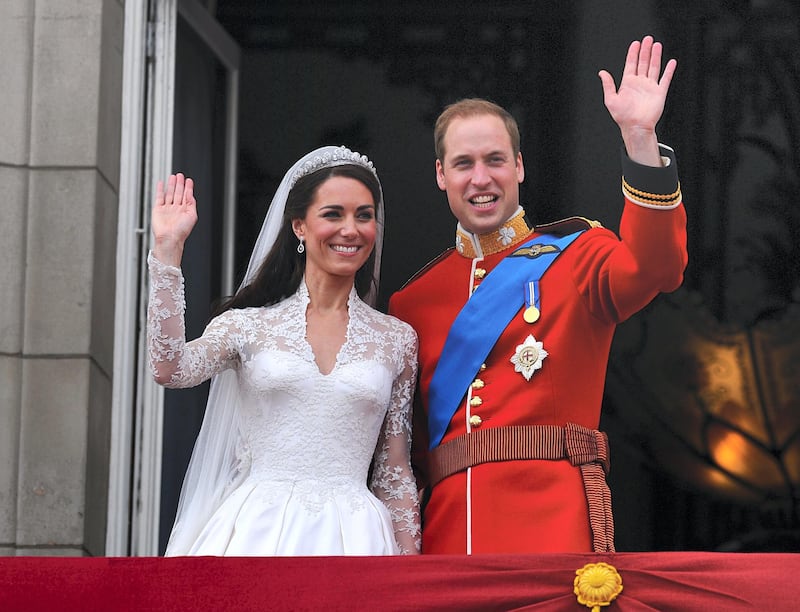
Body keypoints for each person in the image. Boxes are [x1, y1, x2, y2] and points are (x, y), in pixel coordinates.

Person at [389, 36, 688, 554]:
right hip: (447, 536)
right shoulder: (411, 301)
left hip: (550, 528)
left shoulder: (576, 255)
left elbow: (657, 267)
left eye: (495, 160)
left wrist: (639, 140)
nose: (480, 178)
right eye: (463, 163)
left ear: (520, 166)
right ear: (441, 175)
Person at [147, 145, 421, 556]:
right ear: (299, 227)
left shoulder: (397, 339)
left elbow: (393, 469)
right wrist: (168, 252)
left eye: (364, 215)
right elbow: (170, 368)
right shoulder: (247, 324)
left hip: (358, 539)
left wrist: (410, 573)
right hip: (257, 532)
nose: (351, 229)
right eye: (333, 214)